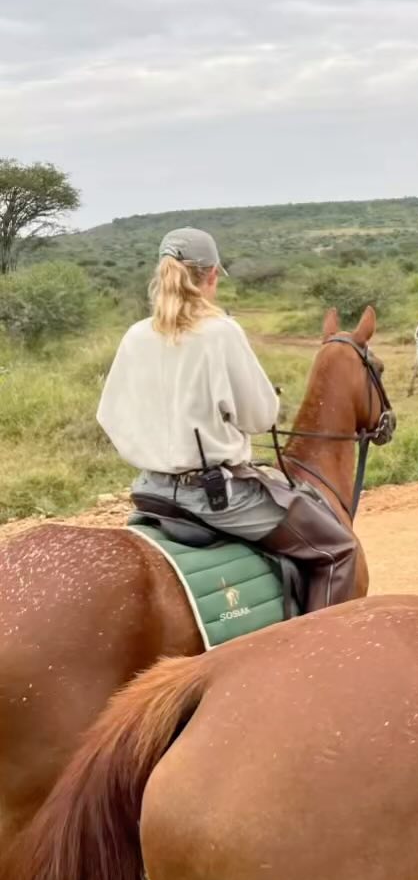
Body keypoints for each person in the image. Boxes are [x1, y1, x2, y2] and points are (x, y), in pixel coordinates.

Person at [97, 226, 360, 613]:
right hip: (214, 499)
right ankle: (321, 645)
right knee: (338, 549)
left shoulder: (135, 335)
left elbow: (109, 415)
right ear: (212, 275)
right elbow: (260, 418)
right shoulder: (220, 332)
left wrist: (157, 448)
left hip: (150, 491)